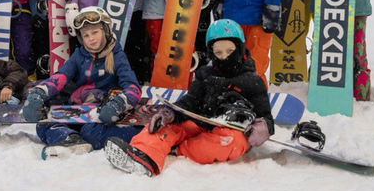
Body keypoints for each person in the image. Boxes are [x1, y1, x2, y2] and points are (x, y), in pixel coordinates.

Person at [104, 20, 273, 176]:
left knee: (229, 142)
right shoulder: (205, 75)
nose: (224, 57)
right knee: (163, 128)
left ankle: (179, 150)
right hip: (200, 122)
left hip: (229, 130)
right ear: (211, 53)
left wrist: (261, 128)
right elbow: (189, 102)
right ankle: (142, 155)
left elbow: (265, 116)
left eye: (230, 51)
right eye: (218, 52)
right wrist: (169, 114)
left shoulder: (253, 81)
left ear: (240, 49)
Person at [22, 8, 142, 158]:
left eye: (95, 32)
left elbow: (133, 88)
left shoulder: (118, 56)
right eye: (86, 35)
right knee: (44, 124)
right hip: (77, 111)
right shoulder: (79, 55)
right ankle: (70, 139)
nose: (91, 38)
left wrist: (119, 104)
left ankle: (140, 136)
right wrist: (39, 92)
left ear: (106, 30)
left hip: (101, 114)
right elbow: (60, 77)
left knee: (91, 133)